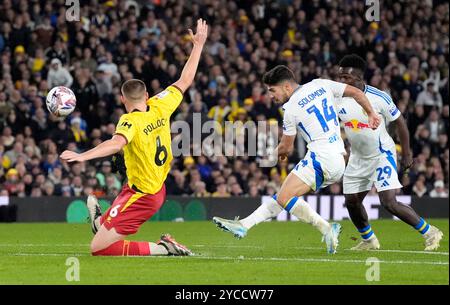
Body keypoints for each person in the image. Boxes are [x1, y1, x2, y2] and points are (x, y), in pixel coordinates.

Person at [60, 19, 208, 256]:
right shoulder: (161, 104)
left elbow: (116, 142)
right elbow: (185, 79)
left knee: (99, 249)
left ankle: (164, 249)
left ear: (122, 99)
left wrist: (82, 156)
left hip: (143, 196)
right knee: (101, 230)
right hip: (149, 187)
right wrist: (198, 44)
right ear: (147, 95)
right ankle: (100, 222)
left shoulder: (129, 121)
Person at [213, 65, 381, 254]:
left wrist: (270, 156)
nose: (270, 96)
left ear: (286, 87)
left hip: (321, 157)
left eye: (272, 90)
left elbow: (286, 147)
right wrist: (371, 113)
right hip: (339, 159)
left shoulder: (291, 108)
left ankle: (326, 228)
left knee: (285, 197)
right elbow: (357, 92)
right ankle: (244, 224)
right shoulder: (321, 84)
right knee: (283, 196)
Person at [335, 54, 443, 251]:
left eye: (346, 78)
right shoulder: (337, 98)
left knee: (389, 202)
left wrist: (407, 153)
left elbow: (400, 123)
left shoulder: (379, 97)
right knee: (351, 202)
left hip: (381, 154)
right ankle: (369, 241)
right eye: (340, 77)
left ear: (359, 78)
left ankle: (430, 232)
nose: (341, 81)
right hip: (358, 157)